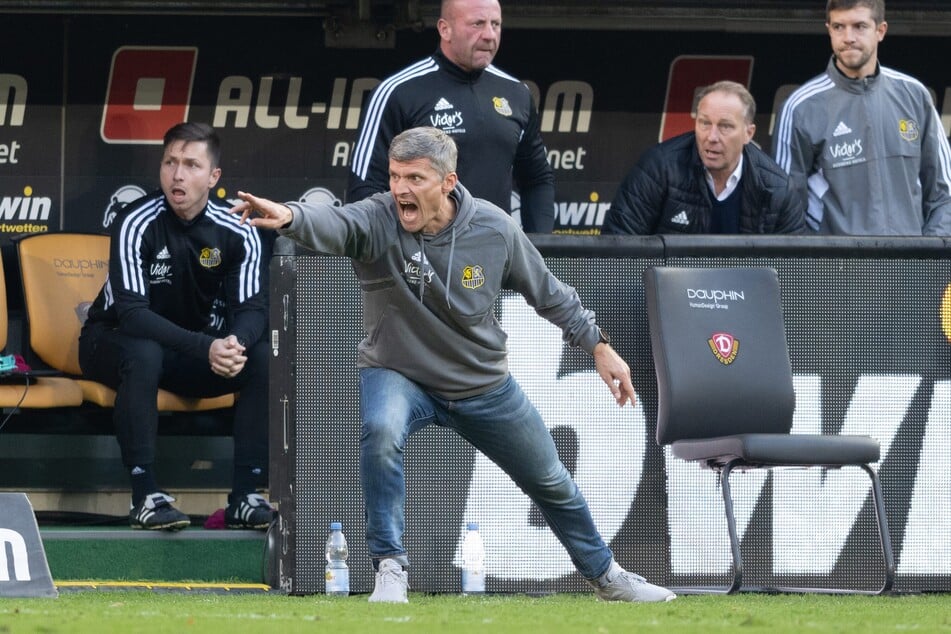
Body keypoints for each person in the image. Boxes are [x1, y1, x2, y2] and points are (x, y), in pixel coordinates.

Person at [232, 126, 675, 604]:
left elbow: (550, 295)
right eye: (395, 176)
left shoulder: (494, 227)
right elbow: (334, 224)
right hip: (398, 371)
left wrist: (599, 346)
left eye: (415, 178)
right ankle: (389, 568)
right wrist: (288, 216)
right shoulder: (378, 218)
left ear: (447, 182)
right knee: (381, 432)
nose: (400, 188)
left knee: (551, 479)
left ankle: (607, 577)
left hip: (481, 382)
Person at [79, 122, 275, 531]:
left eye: (190, 165)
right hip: (110, 341)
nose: (178, 175)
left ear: (214, 177)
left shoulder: (238, 228)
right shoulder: (137, 221)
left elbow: (254, 308)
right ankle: (145, 495)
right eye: (170, 163)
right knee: (144, 350)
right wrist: (205, 347)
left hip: (188, 352)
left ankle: (246, 493)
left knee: (258, 354)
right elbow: (132, 314)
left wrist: (232, 344)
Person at [347, 0, 555, 233]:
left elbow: (537, 179)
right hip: (420, 257)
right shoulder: (398, 91)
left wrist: (540, 250)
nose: (489, 35)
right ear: (445, 29)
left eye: (495, 24)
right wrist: (397, 252)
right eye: (477, 23)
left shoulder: (516, 93)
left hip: (493, 257)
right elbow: (365, 186)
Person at [772, 0, 951, 235]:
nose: (848, 37)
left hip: (911, 266)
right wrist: (821, 265)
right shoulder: (800, 107)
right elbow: (785, 211)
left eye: (859, 26)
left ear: (880, 30)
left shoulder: (915, 95)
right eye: (838, 27)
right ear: (829, 30)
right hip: (837, 268)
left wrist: (927, 257)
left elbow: (943, 195)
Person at [601, 81, 805, 235]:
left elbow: (794, 273)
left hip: (743, 290)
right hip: (671, 289)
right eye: (704, 123)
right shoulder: (659, 168)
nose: (712, 137)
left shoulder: (778, 189)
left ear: (748, 134)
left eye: (725, 126)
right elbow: (618, 245)